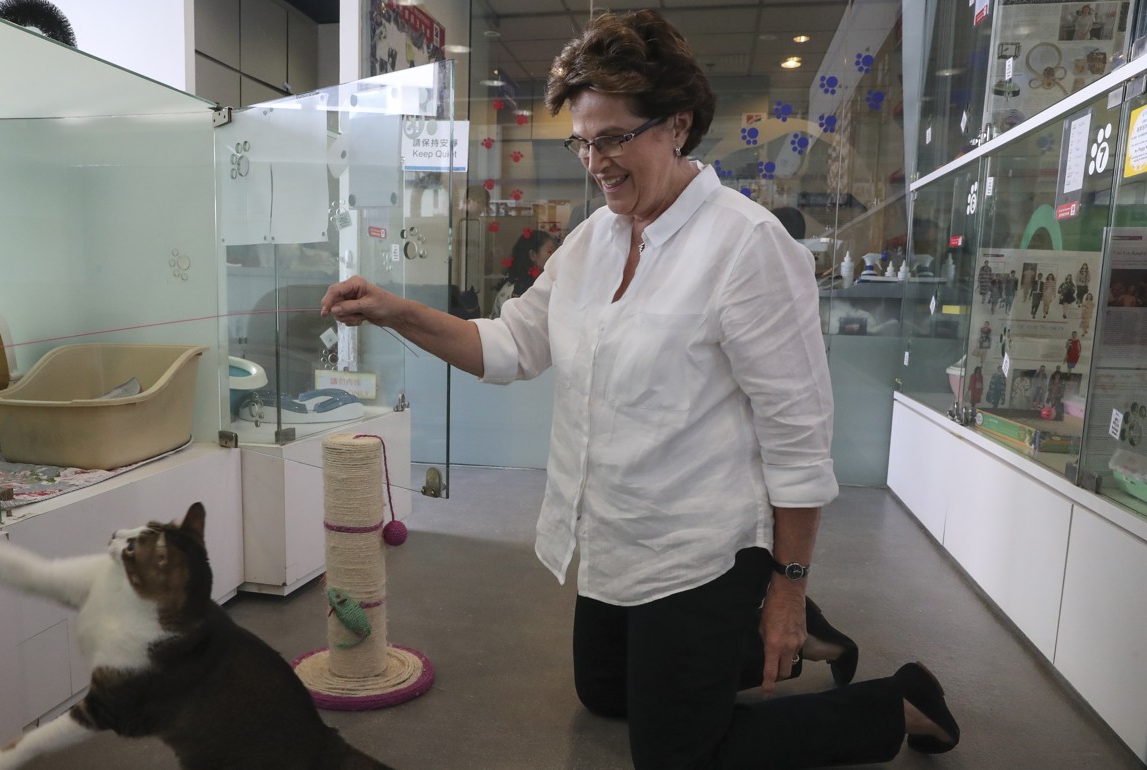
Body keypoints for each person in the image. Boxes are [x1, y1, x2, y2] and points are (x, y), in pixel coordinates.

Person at [321, 11, 959, 768]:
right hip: (613, 534)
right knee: (605, 693)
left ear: (678, 126)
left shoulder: (748, 247)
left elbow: (797, 439)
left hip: (703, 545)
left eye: (615, 137)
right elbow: (512, 344)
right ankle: (757, 636)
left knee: (674, 754)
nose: (595, 161)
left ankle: (897, 699)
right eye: (583, 140)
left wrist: (788, 586)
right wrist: (396, 310)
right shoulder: (592, 242)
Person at [490, 230, 559, 318]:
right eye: (550, 251)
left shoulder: (543, 283)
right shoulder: (517, 289)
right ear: (533, 255)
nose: (555, 255)